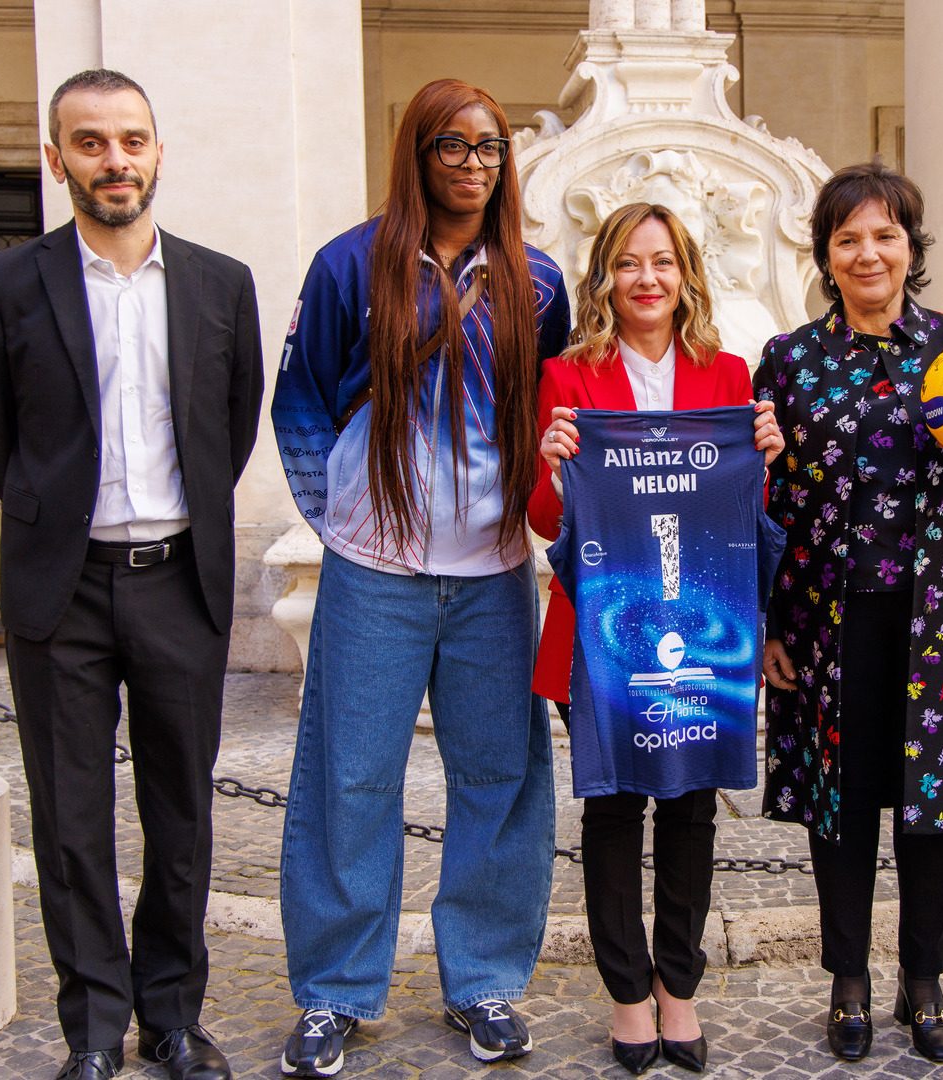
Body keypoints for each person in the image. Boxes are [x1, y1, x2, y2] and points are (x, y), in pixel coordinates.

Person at [0, 69, 262, 1080]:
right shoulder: (6, 286)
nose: (114, 160)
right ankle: (91, 1030)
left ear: (158, 151)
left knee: (180, 814)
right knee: (73, 819)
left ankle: (172, 1017)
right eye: (90, 142)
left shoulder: (221, 284)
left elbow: (233, 420)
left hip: (181, 580)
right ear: (58, 160)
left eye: (131, 139)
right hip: (63, 589)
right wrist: (54, 528)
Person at [268, 78, 570, 1077]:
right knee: (349, 781)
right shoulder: (353, 266)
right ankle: (335, 993)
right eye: (454, 146)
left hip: (492, 576)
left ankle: (482, 980)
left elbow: (553, 409)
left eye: (490, 148)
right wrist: (345, 516)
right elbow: (303, 401)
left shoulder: (540, 281)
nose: (474, 164)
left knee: (499, 775)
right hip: (377, 577)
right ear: (418, 153)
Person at [753, 163, 943, 1064]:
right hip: (827, 622)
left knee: (932, 808)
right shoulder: (791, 361)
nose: (867, 253)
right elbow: (764, 502)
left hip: (941, 620)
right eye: (847, 239)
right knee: (842, 809)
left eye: (885, 235)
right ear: (825, 255)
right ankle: (848, 980)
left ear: (911, 247)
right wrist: (764, 624)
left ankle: (924, 979)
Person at [531, 202, 783, 1075]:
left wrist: (765, 459)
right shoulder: (568, 377)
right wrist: (555, 464)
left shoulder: (727, 376)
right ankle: (628, 997)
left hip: (701, 630)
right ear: (605, 275)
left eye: (664, 263)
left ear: (686, 276)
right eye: (630, 262)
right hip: (600, 637)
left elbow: (745, 516)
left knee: (689, 807)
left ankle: (681, 989)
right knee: (613, 807)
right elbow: (542, 520)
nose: (648, 278)